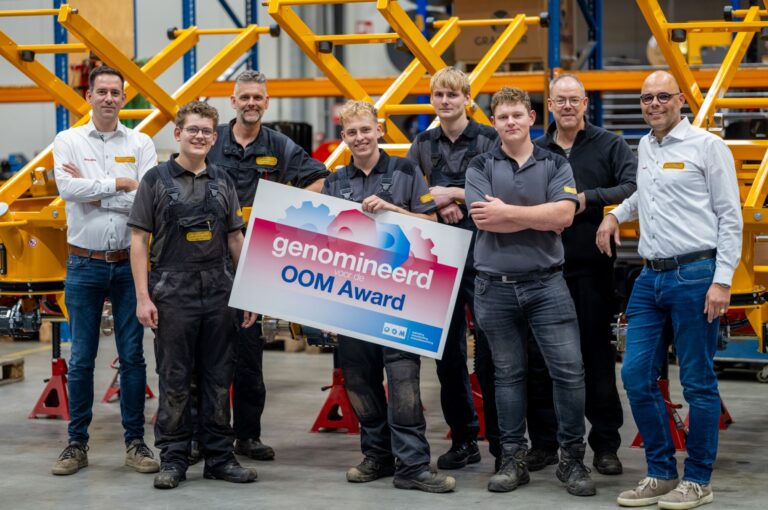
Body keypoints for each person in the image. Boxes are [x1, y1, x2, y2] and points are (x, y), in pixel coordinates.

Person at [598, 70, 742, 509]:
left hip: (695, 275)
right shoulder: (645, 146)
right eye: (647, 98)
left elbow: (729, 216)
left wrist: (722, 279)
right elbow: (645, 195)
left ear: (680, 100)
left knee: (697, 382)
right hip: (650, 278)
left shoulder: (707, 146)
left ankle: (697, 480)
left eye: (663, 96)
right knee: (635, 376)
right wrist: (614, 214)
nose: (654, 104)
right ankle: (661, 472)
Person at [465, 87, 595, 497]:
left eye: (517, 115)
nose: (511, 123)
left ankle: (572, 460)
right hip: (494, 287)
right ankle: (512, 459)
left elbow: (565, 214)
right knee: (507, 376)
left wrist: (506, 211)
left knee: (569, 372)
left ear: (532, 118)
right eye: (503, 117)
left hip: (547, 284)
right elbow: (484, 221)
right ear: (493, 122)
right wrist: (539, 216)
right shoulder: (480, 165)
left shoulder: (555, 163)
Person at [321, 100, 455, 493]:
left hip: (401, 300)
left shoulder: (406, 171)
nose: (360, 137)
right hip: (352, 301)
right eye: (352, 132)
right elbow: (324, 248)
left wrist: (393, 210)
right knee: (360, 384)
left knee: (403, 383)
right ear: (344, 137)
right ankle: (377, 456)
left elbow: (432, 224)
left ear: (379, 130)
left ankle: (412, 465)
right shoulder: (335, 182)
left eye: (366, 130)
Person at [129, 100, 258, 489]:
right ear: (178, 134)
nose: (199, 136)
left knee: (219, 377)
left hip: (218, 293)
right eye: (192, 130)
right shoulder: (154, 180)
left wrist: (248, 291)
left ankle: (219, 457)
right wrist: (142, 297)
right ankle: (174, 458)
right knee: (175, 378)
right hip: (172, 293)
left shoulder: (223, 180)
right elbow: (138, 241)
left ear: (214, 138)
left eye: (206, 131)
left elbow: (235, 238)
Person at [207, 70, 329, 461]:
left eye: (257, 97)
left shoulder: (278, 144)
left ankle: (247, 436)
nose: (251, 103)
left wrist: (280, 212)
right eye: (244, 97)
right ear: (233, 101)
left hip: (256, 259)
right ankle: (205, 437)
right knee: (206, 355)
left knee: (248, 355)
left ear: (266, 102)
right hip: (208, 259)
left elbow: (320, 179)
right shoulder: (212, 140)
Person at [51, 65, 159, 477]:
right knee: (81, 358)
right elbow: (67, 190)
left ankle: (135, 443)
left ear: (124, 98)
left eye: (116, 92)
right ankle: (76, 444)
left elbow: (148, 200)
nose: (109, 98)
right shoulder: (68, 140)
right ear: (90, 96)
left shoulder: (141, 142)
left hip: (130, 264)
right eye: (102, 91)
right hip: (84, 263)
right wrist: (122, 184)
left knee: (132, 356)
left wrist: (95, 191)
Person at [526, 73, 636, 475]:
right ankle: (544, 444)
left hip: (592, 270)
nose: (568, 106)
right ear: (550, 105)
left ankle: (605, 445)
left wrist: (590, 200)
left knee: (595, 357)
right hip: (542, 270)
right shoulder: (536, 150)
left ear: (586, 103)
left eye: (575, 99)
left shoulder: (610, 145)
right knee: (540, 361)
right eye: (561, 100)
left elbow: (634, 185)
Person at [405, 66, 500, 470]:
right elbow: (406, 190)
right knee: (447, 355)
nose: (445, 101)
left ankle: (503, 445)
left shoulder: (490, 138)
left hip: (486, 256)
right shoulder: (422, 144)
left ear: (467, 99)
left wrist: (454, 193)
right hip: (441, 260)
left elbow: (504, 187)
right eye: (438, 95)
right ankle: (464, 439)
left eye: (452, 94)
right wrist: (436, 202)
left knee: (492, 356)